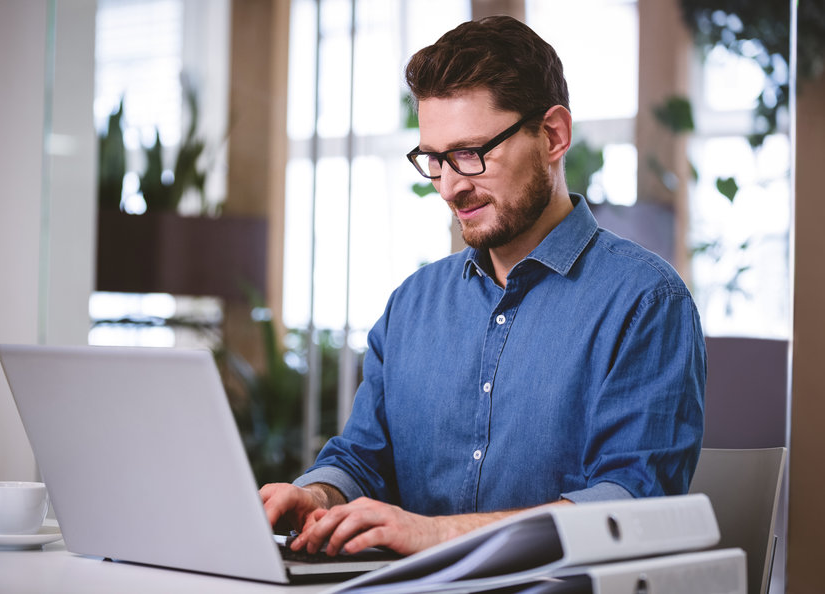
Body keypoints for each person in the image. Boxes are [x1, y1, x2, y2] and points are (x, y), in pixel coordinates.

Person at [262, 15, 705, 559]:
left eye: (471, 153)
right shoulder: (411, 304)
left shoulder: (645, 302)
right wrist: (318, 496)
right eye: (435, 159)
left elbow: (631, 504)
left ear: (553, 136)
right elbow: (362, 461)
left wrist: (437, 533)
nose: (450, 186)